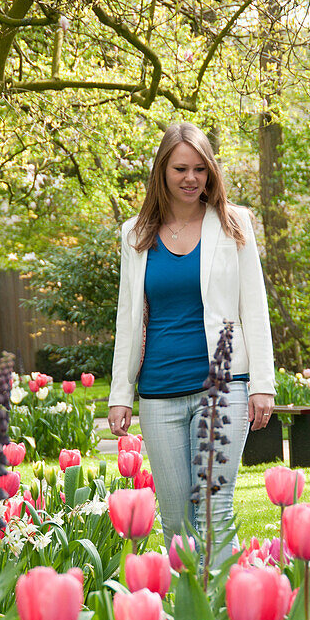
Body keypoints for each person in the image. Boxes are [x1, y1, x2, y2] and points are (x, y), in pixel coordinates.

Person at [108, 122, 275, 565]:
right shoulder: (135, 235)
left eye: (200, 169)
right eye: (181, 168)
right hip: (159, 392)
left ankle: (222, 616)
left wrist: (262, 383)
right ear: (162, 170)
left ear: (211, 172)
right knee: (177, 519)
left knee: (214, 510)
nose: (191, 178)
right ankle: (187, 618)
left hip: (224, 387)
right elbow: (129, 318)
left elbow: (253, 307)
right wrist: (120, 394)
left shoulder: (233, 224)